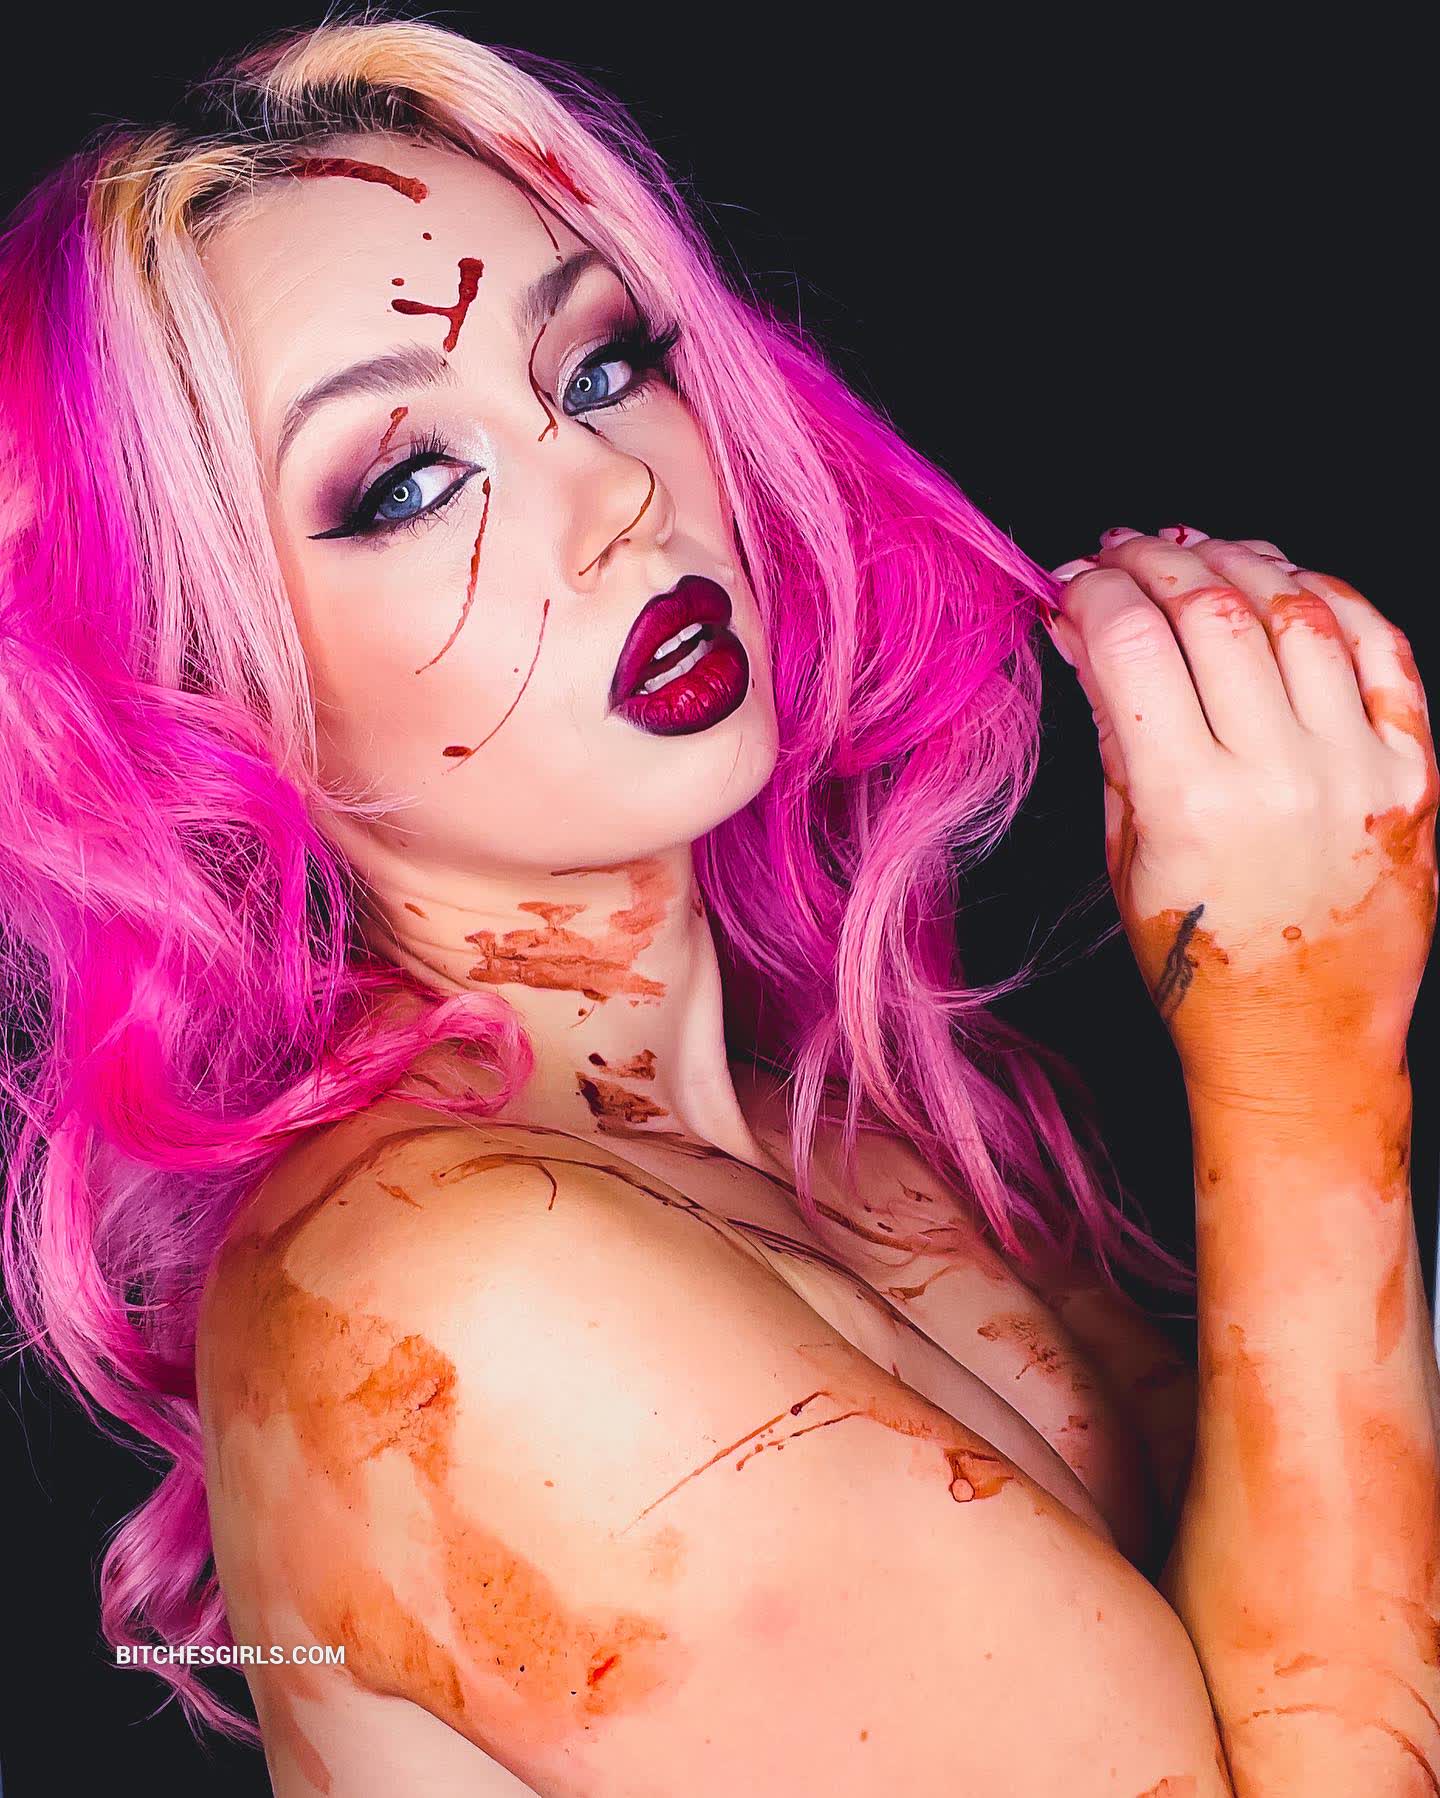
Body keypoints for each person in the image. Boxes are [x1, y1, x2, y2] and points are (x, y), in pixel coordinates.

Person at [2, 17, 1434, 1797]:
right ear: (205, 691)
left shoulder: (835, 1129)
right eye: (408, 484)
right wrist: (1302, 1058)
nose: (619, 494)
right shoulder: (465, 1297)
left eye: (602, 366)